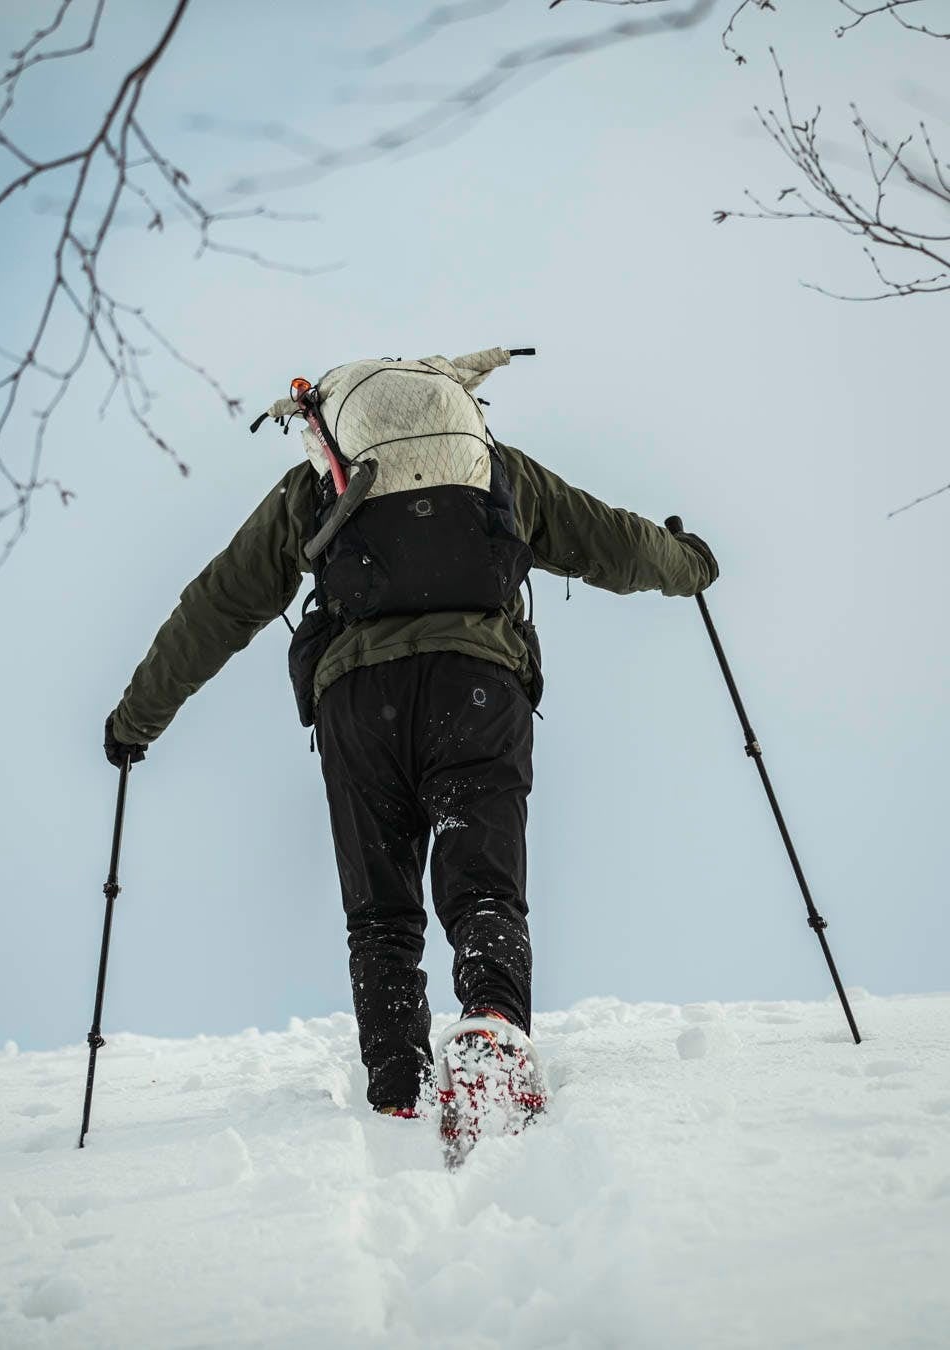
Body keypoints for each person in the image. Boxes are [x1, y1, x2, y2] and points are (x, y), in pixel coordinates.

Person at [105, 356, 718, 1120]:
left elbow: (220, 606)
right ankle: (493, 1029)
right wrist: (690, 565)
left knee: (381, 909)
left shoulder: (317, 488)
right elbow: (616, 545)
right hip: (476, 689)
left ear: (331, 423)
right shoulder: (496, 472)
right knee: (485, 883)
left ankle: (397, 1083)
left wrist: (137, 720)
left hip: (358, 706)